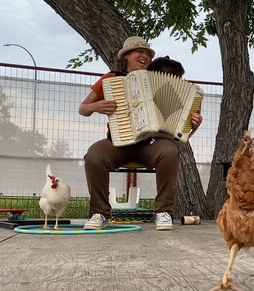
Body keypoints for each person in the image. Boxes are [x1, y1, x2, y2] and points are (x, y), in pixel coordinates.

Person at [78, 36, 202, 231]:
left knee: (169, 150)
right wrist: (96, 106)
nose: (144, 55)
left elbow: (180, 127)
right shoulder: (111, 78)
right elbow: (83, 108)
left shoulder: (158, 82)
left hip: (148, 146)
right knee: (94, 154)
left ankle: (163, 213)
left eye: (147, 53)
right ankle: (100, 213)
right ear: (126, 55)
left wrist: (194, 124)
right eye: (139, 51)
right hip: (117, 144)